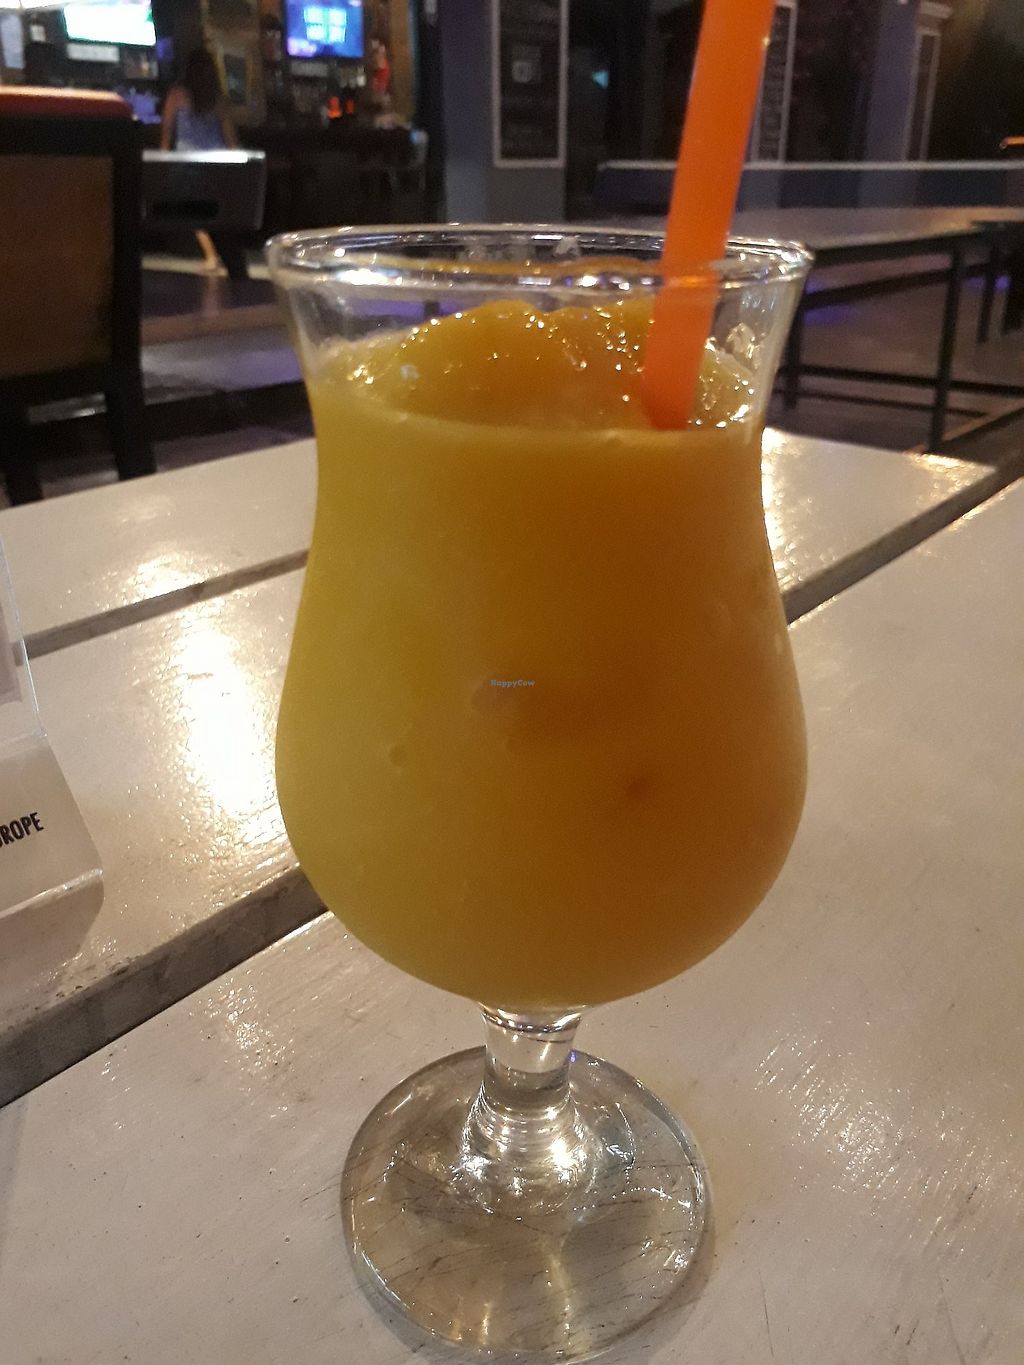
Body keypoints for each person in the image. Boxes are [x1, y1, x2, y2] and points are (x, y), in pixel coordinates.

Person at [160, 47, 237, 271]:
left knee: (194, 209)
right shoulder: (219, 99)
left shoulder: (176, 95)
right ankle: (225, 255)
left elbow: (167, 131)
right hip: (217, 159)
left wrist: (162, 159)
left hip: (188, 159)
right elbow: (230, 138)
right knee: (217, 210)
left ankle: (211, 255)